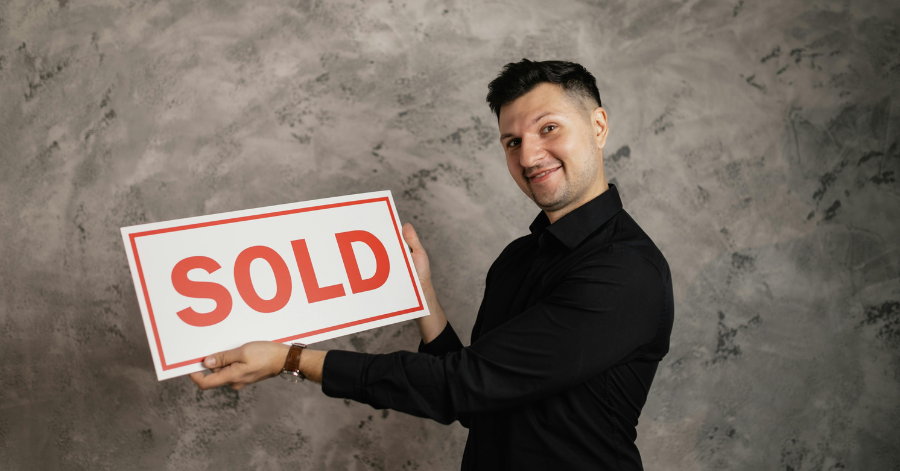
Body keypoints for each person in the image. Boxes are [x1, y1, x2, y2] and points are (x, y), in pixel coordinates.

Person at [190, 59, 674, 470]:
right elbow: (480, 397)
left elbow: (462, 387)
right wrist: (423, 298)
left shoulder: (624, 272)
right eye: (511, 141)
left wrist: (289, 359)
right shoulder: (518, 258)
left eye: (549, 128)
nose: (528, 155)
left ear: (598, 126)